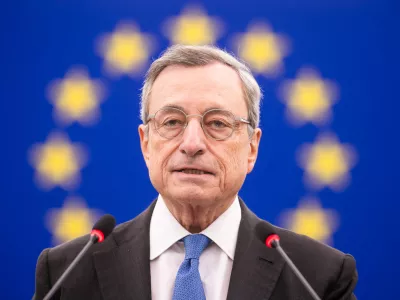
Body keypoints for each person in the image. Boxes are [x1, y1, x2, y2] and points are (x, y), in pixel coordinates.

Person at [33, 45, 358, 300]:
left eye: (217, 123)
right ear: (146, 144)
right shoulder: (67, 272)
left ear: (251, 149)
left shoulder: (317, 276)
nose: (192, 143)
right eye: (172, 121)